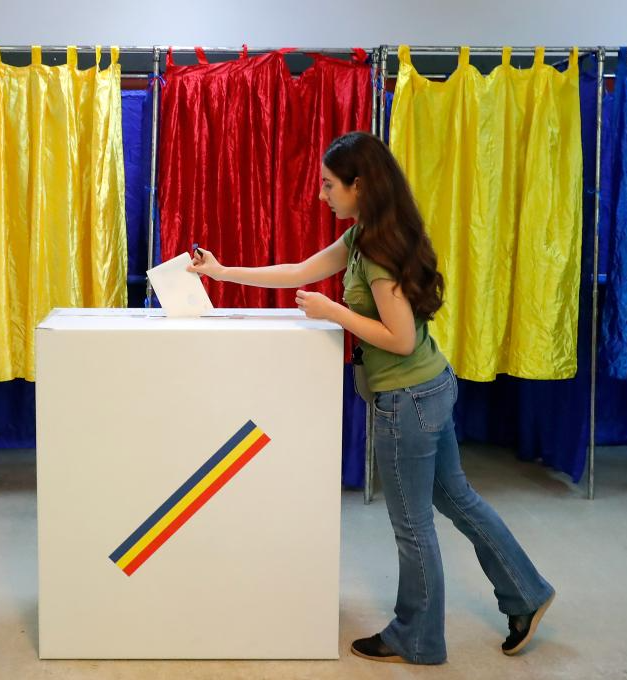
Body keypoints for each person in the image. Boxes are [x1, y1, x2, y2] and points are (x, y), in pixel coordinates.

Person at [188, 131, 555, 665]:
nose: (321, 195)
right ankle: (528, 592)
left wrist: (334, 312)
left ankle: (418, 638)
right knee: (457, 500)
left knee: (413, 526)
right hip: (429, 388)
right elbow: (300, 271)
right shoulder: (369, 234)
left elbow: (399, 338)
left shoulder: (378, 250)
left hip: (407, 401)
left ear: (359, 185)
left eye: (329, 185)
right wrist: (221, 272)